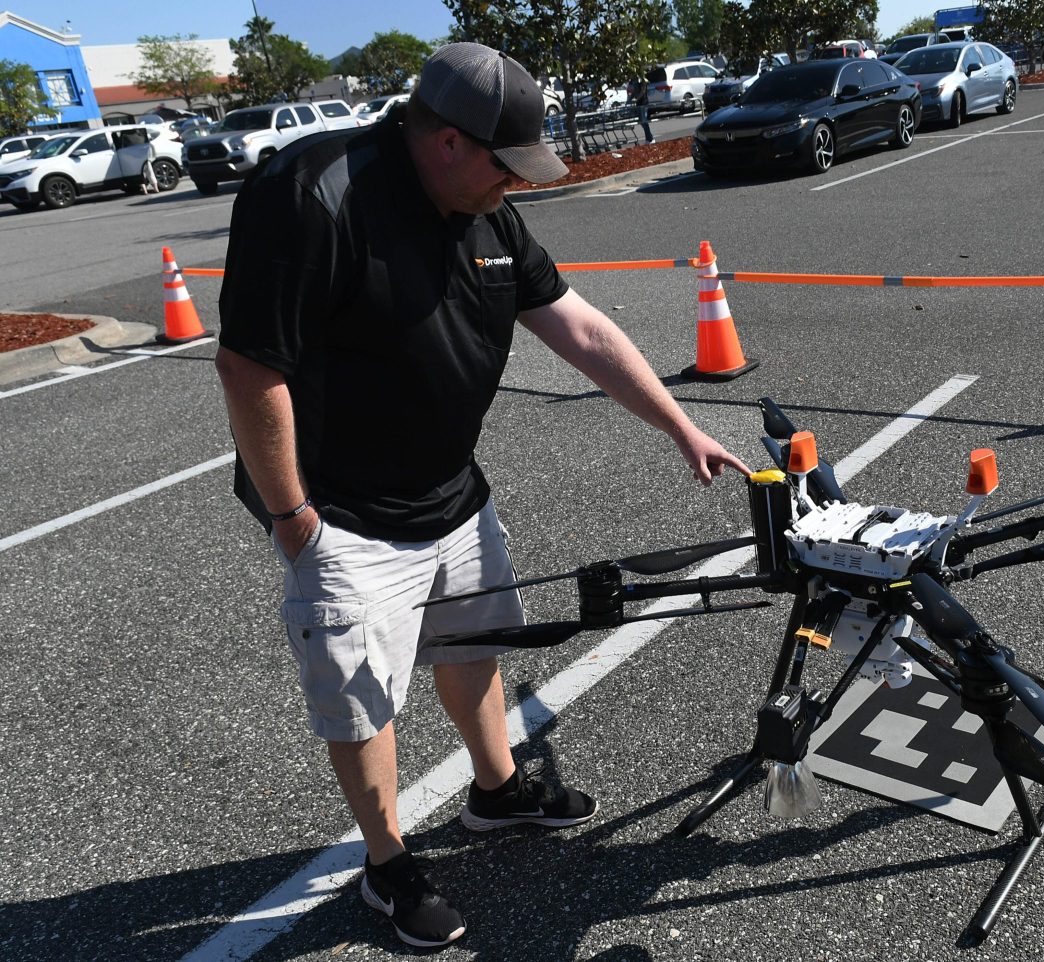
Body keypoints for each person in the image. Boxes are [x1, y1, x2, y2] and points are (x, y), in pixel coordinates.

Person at [215, 42, 748, 949]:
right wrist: (294, 520)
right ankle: (387, 869)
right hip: (342, 516)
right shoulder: (313, 196)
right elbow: (248, 366)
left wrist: (679, 424)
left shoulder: (486, 212)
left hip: (453, 492)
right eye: (506, 166)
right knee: (364, 701)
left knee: (476, 645)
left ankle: (497, 794)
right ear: (450, 141)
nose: (517, 186)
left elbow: (575, 323)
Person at [633, 73, 654, 144]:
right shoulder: (635, 80)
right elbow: (634, 91)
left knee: (644, 120)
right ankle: (649, 137)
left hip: (643, 103)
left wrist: (637, 98)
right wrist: (630, 99)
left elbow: (643, 90)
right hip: (638, 103)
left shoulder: (642, 80)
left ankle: (649, 139)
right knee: (642, 121)